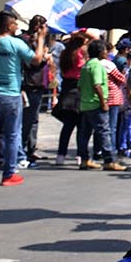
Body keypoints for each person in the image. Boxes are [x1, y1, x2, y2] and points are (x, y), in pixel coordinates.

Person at [0, 12, 49, 190]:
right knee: (12, 135)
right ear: (9, 25)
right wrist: (42, 38)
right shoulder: (15, 43)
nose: (17, 27)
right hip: (11, 94)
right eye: (15, 25)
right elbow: (36, 60)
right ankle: (9, 173)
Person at [77, 39, 125, 171]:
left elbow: (80, 86)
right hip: (96, 103)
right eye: (104, 50)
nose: (106, 52)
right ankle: (109, 160)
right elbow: (97, 85)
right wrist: (103, 102)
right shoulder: (97, 66)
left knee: (84, 133)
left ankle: (84, 159)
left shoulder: (86, 65)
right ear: (99, 52)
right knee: (104, 132)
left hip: (85, 103)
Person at [52, 29, 92, 166]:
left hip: (67, 88)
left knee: (67, 126)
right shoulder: (80, 53)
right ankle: (81, 155)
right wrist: (83, 31)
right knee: (81, 126)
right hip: (78, 88)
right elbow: (82, 67)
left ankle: (61, 155)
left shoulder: (65, 53)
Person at [20, 18, 52, 163]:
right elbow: (33, 61)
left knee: (34, 119)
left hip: (39, 83)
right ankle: (21, 151)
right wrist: (43, 54)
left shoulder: (41, 42)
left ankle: (30, 149)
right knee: (26, 120)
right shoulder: (26, 41)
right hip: (30, 83)